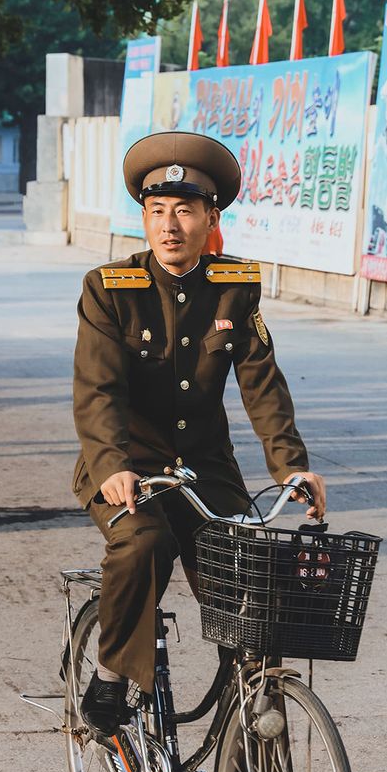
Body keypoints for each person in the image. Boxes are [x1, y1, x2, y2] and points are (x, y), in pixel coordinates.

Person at [72, 129, 325, 736]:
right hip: (127, 466)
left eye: (185, 210)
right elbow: (98, 390)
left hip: (208, 472)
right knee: (143, 544)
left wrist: (291, 466)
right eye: (157, 211)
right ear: (144, 218)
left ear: (211, 217)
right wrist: (111, 465)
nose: (170, 225)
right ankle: (111, 671)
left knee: (254, 603)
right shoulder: (109, 290)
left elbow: (261, 381)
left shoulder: (233, 286)